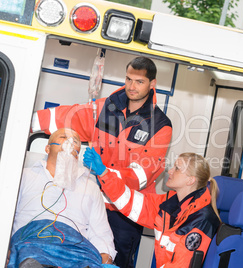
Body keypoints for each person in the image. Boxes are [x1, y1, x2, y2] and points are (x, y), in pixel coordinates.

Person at [31, 56, 172, 267]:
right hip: (93, 200)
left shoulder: (161, 126)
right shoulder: (106, 107)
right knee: (81, 256)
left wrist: (103, 172)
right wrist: (25, 119)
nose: (132, 87)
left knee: (118, 261)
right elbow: (68, 117)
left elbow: (141, 176)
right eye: (128, 79)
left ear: (152, 84)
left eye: (139, 82)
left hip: (125, 210)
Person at [84, 151, 221, 267]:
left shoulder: (201, 218)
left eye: (177, 168)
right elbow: (130, 201)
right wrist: (104, 173)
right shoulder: (170, 203)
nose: (170, 171)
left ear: (190, 180)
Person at [8, 128, 116, 268]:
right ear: (47, 148)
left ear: (77, 154)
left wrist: (104, 261)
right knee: (28, 257)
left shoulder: (90, 187)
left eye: (75, 140)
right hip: (32, 243)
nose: (69, 141)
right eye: (63, 137)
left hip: (77, 250)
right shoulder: (24, 176)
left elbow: (101, 234)